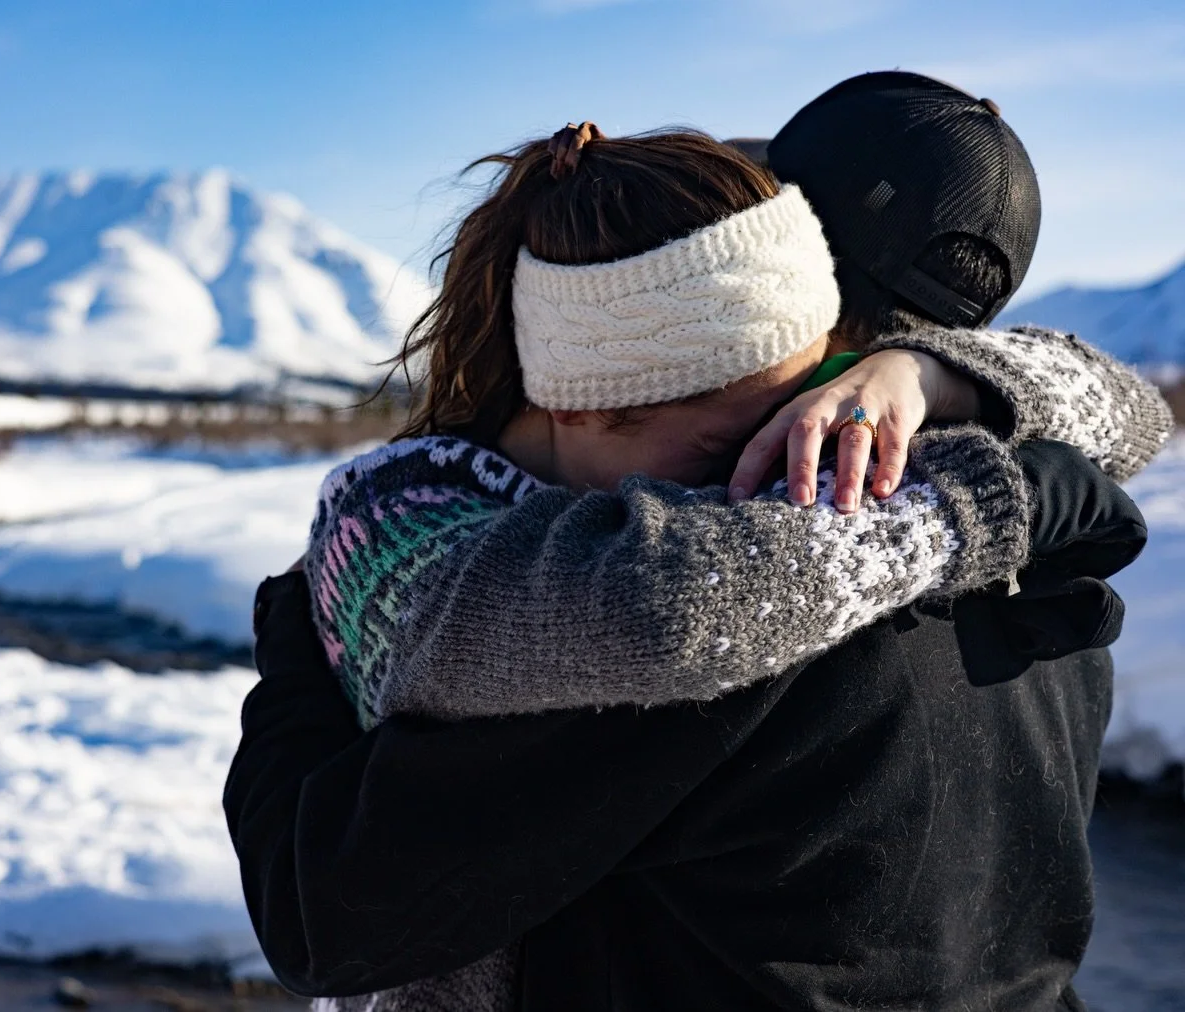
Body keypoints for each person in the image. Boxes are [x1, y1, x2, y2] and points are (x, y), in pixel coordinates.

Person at [226, 79, 1173, 1011]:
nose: (765, 463)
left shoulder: (730, 600)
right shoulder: (1029, 502)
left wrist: (298, 651)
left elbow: (325, 914)